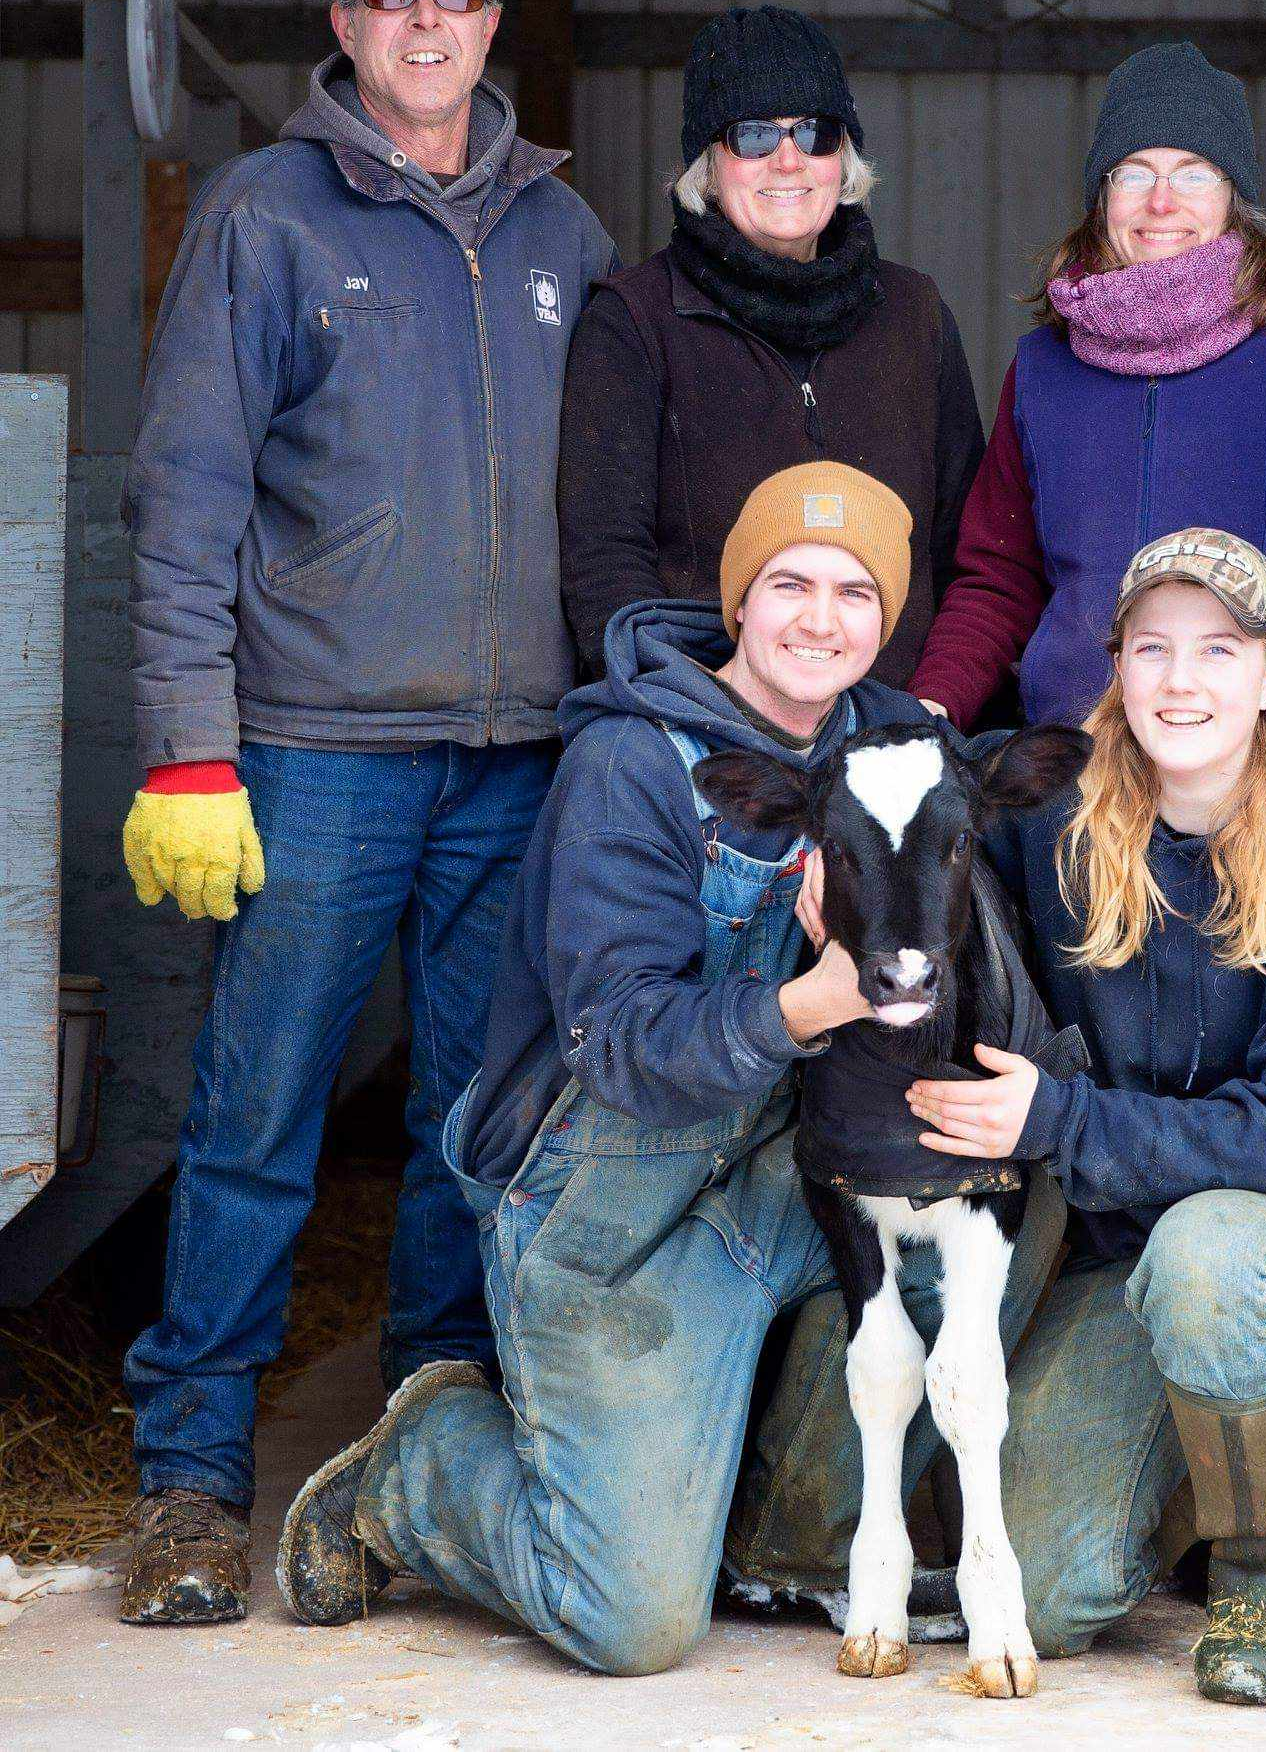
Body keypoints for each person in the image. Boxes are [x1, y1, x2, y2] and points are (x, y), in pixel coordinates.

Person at [276, 464, 1066, 1675]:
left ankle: (798, 1544)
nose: (820, 618)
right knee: (630, 1622)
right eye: (789, 583)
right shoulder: (632, 765)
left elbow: (982, 955)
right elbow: (624, 1043)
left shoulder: (897, 753)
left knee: (1015, 1181)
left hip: (795, 1175)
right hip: (612, 1215)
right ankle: (420, 1465)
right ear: (738, 600)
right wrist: (818, 995)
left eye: (857, 591)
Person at [115, 0, 615, 1625]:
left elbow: (618, 504)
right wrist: (191, 745)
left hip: (520, 753)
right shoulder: (266, 213)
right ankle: (189, 1478)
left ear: (490, 20)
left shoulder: (568, 232)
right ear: (345, 21)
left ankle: (412, 1460)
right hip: (317, 744)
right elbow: (183, 497)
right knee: (258, 1115)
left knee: (476, 1127)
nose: (423, 23)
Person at [906, 38, 1266, 1631]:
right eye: (1128, 171)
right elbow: (997, 573)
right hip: (1092, 791)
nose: (1154, 196)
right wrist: (918, 733)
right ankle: (1148, 1474)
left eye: (1186, 168)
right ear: (1098, 198)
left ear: (1235, 193)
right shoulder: (1045, 366)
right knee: (1119, 1070)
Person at [792, 527, 1266, 1705]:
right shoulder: (1059, 814)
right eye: (1152, 650)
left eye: (1219, 651)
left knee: (1212, 1257)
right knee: (1058, 1587)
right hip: (1120, 1249)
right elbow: (925, 787)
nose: (1182, 682)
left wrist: (1058, 1125)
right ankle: (1189, 1476)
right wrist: (846, 853)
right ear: (1118, 671)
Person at [556, 5, 984, 690]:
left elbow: (968, 552)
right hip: (710, 744)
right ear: (707, 162)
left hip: (890, 742)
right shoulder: (633, 322)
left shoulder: (916, 316)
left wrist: (931, 710)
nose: (788, 160)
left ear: (842, 157)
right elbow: (604, 564)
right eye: (752, 135)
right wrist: (695, 718)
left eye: (815, 133)